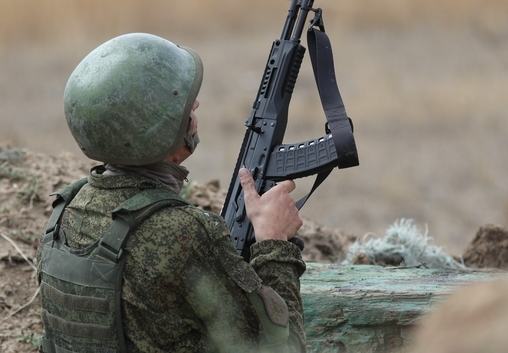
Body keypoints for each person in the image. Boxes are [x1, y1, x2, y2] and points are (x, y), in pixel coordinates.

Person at [36, 33, 306, 352]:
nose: (195, 105)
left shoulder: (64, 215)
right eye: (182, 105)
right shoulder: (184, 232)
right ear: (162, 130)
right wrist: (274, 243)